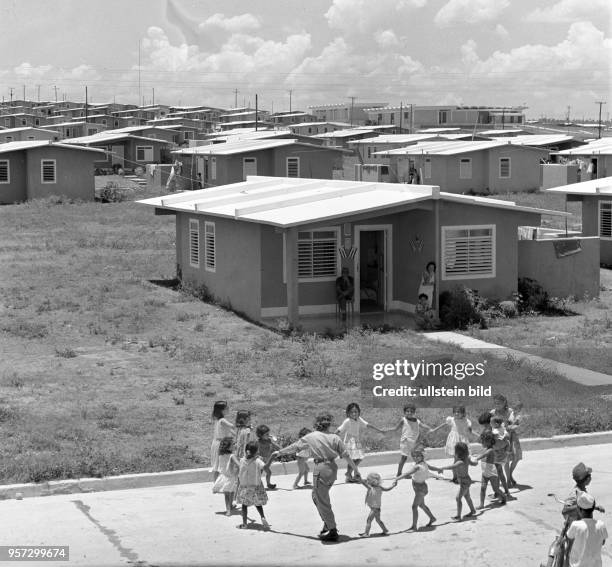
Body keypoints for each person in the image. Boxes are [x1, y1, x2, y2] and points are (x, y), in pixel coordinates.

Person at [271, 413, 360, 542]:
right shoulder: (335, 438)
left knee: (322, 501)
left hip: (321, 469)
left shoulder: (310, 437)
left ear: (316, 424)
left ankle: (332, 530)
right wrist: (356, 470)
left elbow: (294, 446)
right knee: (316, 496)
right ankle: (327, 522)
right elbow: (346, 456)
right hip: (332, 469)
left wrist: (279, 452)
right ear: (329, 424)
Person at [394, 447, 444, 531]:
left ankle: (414, 526)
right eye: (414, 456)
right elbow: (431, 468)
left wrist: (397, 479)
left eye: (418, 456)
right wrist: (439, 469)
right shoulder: (423, 463)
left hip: (420, 489)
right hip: (420, 488)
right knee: (421, 505)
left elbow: (407, 473)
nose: (416, 457)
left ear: (422, 456)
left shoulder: (417, 466)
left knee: (414, 507)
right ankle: (432, 518)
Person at [335, 402, 384, 483]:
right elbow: (339, 429)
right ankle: (350, 475)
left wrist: (379, 430)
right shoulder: (347, 421)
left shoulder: (359, 419)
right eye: (352, 412)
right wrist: (330, 436)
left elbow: (367, 425)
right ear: (348, 413)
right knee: (354, 458)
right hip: (349, 441)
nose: (354, 413)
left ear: (358, 412)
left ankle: (349, 475)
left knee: (358, 458)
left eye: (356, 412)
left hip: (356, 440)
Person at [430, 406, 477, 484]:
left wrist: (479, 436)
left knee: (463, 459)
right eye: (455, 412)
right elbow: (444, 425)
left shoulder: (467, 421)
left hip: (462, 441)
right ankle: (455, 477)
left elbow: (470, 431)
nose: (456, 413)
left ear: (463, 413)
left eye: (458, 412)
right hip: (453, 441)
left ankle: (461, 476)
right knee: (456, 459)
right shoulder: (451, 420)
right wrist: (434, 430)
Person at [387, 404, 433, 476]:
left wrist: (429, 428)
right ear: (404, 412)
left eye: (411, 411)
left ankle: (421, 470)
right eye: (407, 411)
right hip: (405, 442)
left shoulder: (417, 421)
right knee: (404, 458)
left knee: (420, 456)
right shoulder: (403, 420)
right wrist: (385, 431)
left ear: (414, 412)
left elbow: (423, 425)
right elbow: (395, 428)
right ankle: (399, 473)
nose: (409, 413)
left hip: (414, 442)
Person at [236, 441, 272, 530]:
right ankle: (263, 517)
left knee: (244, 506)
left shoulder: (241, 460)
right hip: (256, 487)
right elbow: (266, 467)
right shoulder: (258, 461)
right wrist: (272, 458)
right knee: (258, 504)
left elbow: (239, 474)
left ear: (246, 451)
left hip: (245, 487)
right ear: (256, 452)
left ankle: (244, 524)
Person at [566, 492, 607, 567]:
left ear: (578, 509)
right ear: (593, 508)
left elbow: (569, 539)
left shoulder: (575, 525)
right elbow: (603, 542)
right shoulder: (601, 525)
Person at [439, 442, 478, 521]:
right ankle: (473, 510)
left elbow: (452, 467)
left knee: (458, 498)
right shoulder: (467, 459)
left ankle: (458, 516)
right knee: (467, 497)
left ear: (458, 453)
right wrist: (476, 461)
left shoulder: (460, 462)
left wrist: (442, 468)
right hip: (466, 480)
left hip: (464, 482)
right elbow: (473, 464)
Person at [491, 394, 522, 487]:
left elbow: (515, 423)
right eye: (495, 403)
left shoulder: (510, 411)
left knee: (516, 457)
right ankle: (508, 480)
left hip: (512, 436)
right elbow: (490, 424)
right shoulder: (493, 412)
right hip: (501, 438)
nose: (497, 405)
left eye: (499, 403)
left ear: (504, 402)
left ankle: (510, 475)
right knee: (506, 460)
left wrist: (515, 425)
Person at [356, 472, 397, 537]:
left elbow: (363, 483)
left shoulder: (370, 487)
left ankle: (366, 533)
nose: (367, 481)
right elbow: (387, 489)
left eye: (368, 480)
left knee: (369, 520)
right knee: (378, 520)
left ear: (372, 481)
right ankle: (385, 530)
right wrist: (393, 486)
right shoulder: (379, 487)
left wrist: (359, 478)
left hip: (374, 508)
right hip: (377, 508)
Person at [473, 430, 506, 509]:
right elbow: (483, 454)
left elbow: (485, 454)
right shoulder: (485, 448)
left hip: (492, 472)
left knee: (495, 489)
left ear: (489, 442)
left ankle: (504, 497)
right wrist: (476, 455)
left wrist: (477, 458)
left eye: (483, 441)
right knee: (483, 488)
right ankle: (481, 504)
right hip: (485, 472)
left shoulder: (491, 450)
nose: (481, 443)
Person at [212, 437, 240, 516]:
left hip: (223, 476)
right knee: (230, 492)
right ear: (228, 447)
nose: (235, 445)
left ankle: (229, 507)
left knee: (228, 493)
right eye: (233, 444)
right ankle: (228, 510)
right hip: (231, 477)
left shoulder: (220, 454)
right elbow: (239, 465)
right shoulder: (232, 456)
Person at [211, 401, 236, 482]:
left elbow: (231, 431)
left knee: (218, 464)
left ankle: (217, 483)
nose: (228, 409)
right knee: (218, 464)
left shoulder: (218, 420)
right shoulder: (222, 420)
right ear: (222, 410)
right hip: (220, 444)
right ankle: (215, 483)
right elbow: (232, 426)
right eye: (227, 408)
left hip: (219, 443)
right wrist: (241, 422)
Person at [490, 415, 511, 499]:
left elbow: (494, 439)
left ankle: (500, 492)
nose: (490, 423)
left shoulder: (495, 431)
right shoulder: (503, 429)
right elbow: (506, 436)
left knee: (498, 474)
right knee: (499, 473)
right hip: (503, 455)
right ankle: (504, 491)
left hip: (497, 455)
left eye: (491, 422)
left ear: (495, 423)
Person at [255, 425, 281, 490]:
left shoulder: (269, 441)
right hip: (260, 461)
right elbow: (256, 452)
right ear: (260, 435)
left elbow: (277, 446)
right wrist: (259, 457)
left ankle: (268, 484)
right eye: (266, 434)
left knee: (268, 473)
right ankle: (256, 485)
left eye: (268, 434)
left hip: (266, 461)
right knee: (259, 474)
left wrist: (280, 448)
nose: (268, 435)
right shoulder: (258, 442)